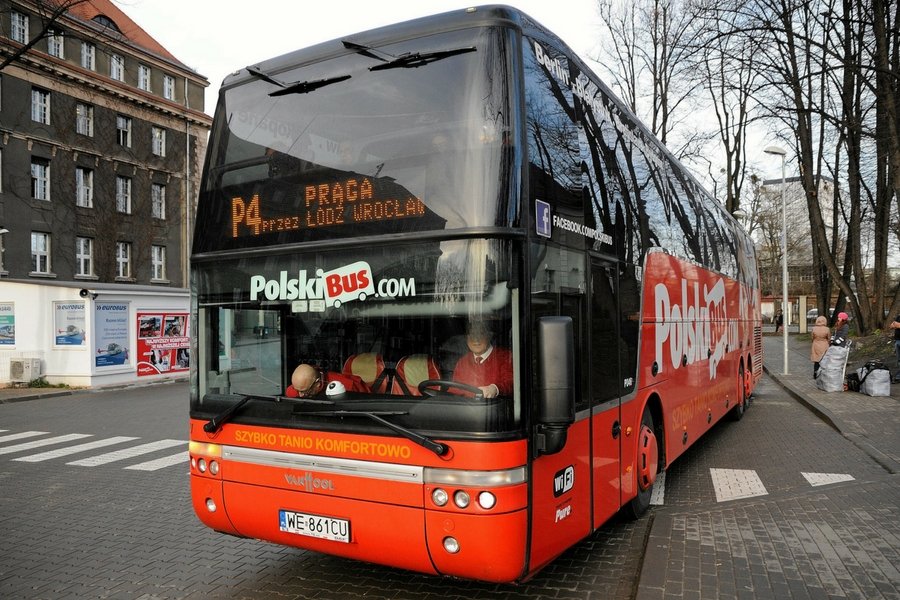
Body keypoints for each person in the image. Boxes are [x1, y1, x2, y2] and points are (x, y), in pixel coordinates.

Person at [452, 321, 513, 398]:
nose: (476, 339)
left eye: (480, 334)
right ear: (466, 338)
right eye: (472, 334)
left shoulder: (505, 357)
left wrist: (495, 388)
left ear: (489, 336)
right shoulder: (462, 362)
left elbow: (511, 383)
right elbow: (454, 391)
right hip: (465, 408)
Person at [285, 363, 369, 397]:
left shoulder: (348, 386)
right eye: (297, 390)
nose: (300, 395)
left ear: (317, 384)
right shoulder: (301, 386)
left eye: (305, 391)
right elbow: (289, 392)